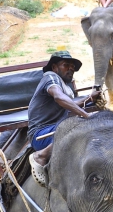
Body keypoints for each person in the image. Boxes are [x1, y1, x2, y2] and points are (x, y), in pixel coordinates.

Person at [27, 51, 101, 186]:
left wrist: (90, 98)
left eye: (72, 67)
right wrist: (87, 116)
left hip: (57, 130)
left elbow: (70, 104)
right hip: (42, 135)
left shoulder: (65, 87)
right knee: (77, 123)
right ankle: (41, 155)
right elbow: (58, 98)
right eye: (66, 65)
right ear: (54, 67)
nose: (70, 69)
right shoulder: (50, 78)